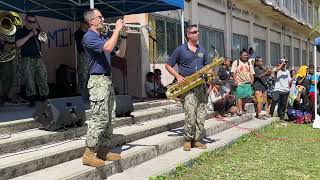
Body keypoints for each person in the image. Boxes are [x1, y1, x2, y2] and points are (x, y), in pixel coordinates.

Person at [81, 8, 128, 167]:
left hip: (107, 80)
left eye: (102, 17)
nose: (102, 19)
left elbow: (120, 54)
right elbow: (107, 48)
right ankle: (88, 154)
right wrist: (116, 31)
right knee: (99, 119)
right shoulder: (89, 37)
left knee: (109, 119)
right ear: (91, 21)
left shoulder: (103, 37)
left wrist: (123, 37)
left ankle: (103, 151)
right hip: (97, 81)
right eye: (99, 17)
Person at [165, 24, 208, 151]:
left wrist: (210, 74)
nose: (197, 34)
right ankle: (188, 140)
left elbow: (207, 66)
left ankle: (198, 139)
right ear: (188, 35)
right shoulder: (180, 50)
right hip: (187, 86)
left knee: (201, 114)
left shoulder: (202, 50)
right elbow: (168, 65)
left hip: (201, 86)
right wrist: (177, 76)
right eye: (195, 32)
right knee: (190, 114)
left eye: (198, 32)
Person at [15, 13, 49, 106]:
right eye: (29, 21)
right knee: (29, 79)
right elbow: (17, 44)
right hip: (27, 59)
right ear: (26, 20)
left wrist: (42, 35)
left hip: (38, 58)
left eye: (33, 22)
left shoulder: (37, 30)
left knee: (43, 77)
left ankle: (44, 97)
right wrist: (29, 35)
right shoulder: (21, 31)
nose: (31, 23)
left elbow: (45, 42)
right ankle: (31, 98)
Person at [0, 12, 20, 106]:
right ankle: (1, 99)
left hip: (11, 59)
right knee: (3, 79)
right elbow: (6, 48)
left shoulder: (13, 30)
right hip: (3, 60)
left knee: (11, 79)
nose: (10, 20)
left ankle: (4, 98)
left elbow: (14, 44)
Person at [231, 50, 255, 116]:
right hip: (240, 83)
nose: (245, 56)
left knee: (245, 97)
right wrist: (235, 80)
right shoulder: (236, 62)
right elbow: (233, 72)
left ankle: (243, 109)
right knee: (239, 97)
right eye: (244, 55)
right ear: (240, 55)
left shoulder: (249, 63)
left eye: (246, 55)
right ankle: (240, 110)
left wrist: (252, 79)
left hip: (247, 83)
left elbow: (252, 72)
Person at [75, 21, 89, 98]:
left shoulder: (88, 32)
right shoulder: (78, 33)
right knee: (83, 74)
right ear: (82, 24)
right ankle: (82, 93)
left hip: (88, 55)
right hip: (83, 55)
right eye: (86, 23)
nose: (87, 25)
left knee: (86, 74)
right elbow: (82, 45)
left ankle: (85, 93)